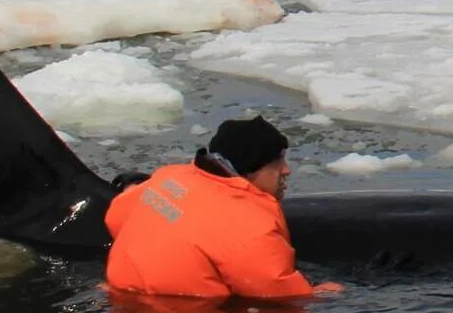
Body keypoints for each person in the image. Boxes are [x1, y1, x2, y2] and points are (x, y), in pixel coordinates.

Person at [104, 115, 338, 298]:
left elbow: (116, 216)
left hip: (119, 292)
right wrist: (317, 295)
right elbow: (272, 289)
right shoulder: (249, 223)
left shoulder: (169, 178)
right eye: (277, 162)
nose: (286, 170)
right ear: (251, 166)